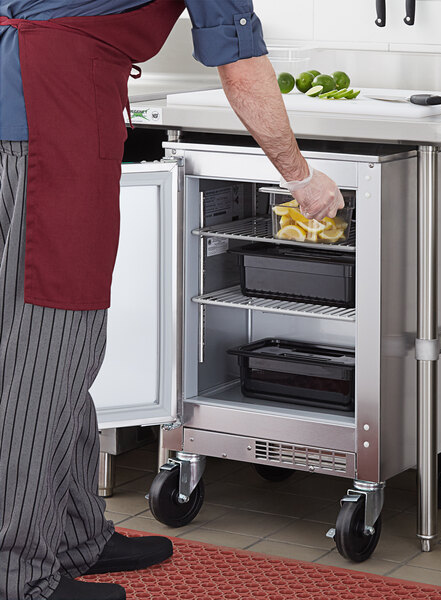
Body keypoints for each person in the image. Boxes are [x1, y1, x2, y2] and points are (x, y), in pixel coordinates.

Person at [0, 1, 344, 599]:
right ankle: (17, 574)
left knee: (49, 351)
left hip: (23, 113)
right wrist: (299, 175)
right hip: (50, 122)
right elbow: (240, 64)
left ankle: (76, 536)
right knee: (48, 350)